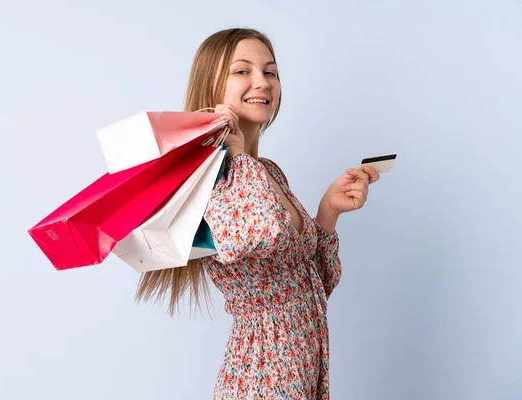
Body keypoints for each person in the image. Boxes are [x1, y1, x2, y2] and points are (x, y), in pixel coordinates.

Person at [136, 28, 380, 399]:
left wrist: (327, 212)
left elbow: (312, 287)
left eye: (270, 72)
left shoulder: (267, 172)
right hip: (262, 375)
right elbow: (261, 232)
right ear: (212, 85)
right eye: (242, 71)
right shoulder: (214, 176)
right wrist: (236, 154)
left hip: (300, 370)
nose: (261, 83)